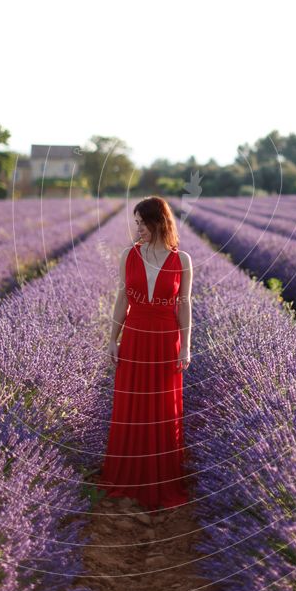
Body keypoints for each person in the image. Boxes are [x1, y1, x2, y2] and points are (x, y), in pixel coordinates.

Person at [97, 196, 193, 510]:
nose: (138, 229)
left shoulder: (183, 261)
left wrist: (186, 346)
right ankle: (128, 477)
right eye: (136, 223)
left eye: (142, 223)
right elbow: (122, 299)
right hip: (135, 338)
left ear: (158, 223)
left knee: (164, 409)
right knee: (131, 405)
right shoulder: (129, 255)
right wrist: (113, 339)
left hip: (166, 342)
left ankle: (161, 480)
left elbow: (184, 305)